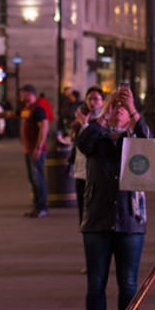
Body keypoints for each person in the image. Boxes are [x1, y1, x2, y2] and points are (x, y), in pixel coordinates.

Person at [73, 85, 150, 310]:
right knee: (96, 284)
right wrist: (104, 114)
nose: (119, 109)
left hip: (130, 220)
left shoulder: (137, 138)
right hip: (97, 220)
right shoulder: (97, 135)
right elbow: (82, 143)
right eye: (114, 104)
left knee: (128, 284)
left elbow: (149, 141)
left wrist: (133, 110)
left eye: (123, 107)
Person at [68, 87, 105, 224]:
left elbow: (88, 145)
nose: (92, 102)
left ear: (103, 101)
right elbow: (76, 142)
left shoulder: (103, 121)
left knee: (93, 211)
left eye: (96, 99)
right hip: (80, 171)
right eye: (89, 99)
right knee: (82, 210)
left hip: (94, 172)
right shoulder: (82, 117)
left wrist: (84, 125)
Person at [18, 84, 50, 218]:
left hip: (36, 150)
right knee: (33, 179)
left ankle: (42, 207)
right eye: (22, 93)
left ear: (31, 94)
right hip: (28, 150)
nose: (23, 96)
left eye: (25, 93)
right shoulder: (26, 109)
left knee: (38, 178)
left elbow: (44, 127)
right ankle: (37, 206)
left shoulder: (38, 109)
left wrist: (38, 147)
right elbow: (11, 114)